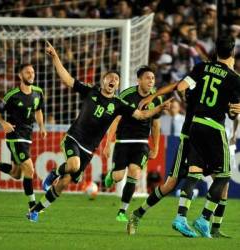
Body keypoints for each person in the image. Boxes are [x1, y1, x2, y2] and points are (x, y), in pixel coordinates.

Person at [27, 41, 172, 222]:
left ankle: (36, 209)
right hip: (74, 137)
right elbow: (67, 79)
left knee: (64, 183)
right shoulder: (91, 91)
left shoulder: (119, 104)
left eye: (116, 79)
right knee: (73, 165)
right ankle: (53, 174)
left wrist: (158, 109)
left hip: (89, 149)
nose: (113, 80)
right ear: (103, 81)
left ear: (118, 86)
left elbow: (142, 115)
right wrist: (55, 57)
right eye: (109, 77)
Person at [127, 36, 240, 238]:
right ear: (231, 54)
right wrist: (155, 97)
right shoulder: (229, 77)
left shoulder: (201, 71)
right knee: (175, 182)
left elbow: (177, 86)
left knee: (220, 183)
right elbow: (231, 109)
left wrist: (155, 96)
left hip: (196, 129)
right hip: (192, 134)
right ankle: (139, 214)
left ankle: (213, 228)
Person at [0, 63, 47, 211]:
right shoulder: (11, 95)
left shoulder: (38, 92)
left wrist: (42, 126)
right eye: (27, 72)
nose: (31, 74)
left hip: (28, 135)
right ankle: (33, 206)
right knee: (29, 169)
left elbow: (38, 110)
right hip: (14, 136)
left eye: (32, 72)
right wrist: (3, 123)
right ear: (20, 76)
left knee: (16, 173)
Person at [102, 66, 162, 222]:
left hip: (142, 142)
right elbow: (116, 119)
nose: (151, 81)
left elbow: (155, 125)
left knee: (135, 172)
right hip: (123, 141)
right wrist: (108, 143)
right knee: (118, 176)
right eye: (148, 78)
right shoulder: (126, 95)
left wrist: (155, 147)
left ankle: (122, 210)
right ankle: (111, 174)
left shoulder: (156, 98)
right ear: (139, 80)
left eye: (153, 78)